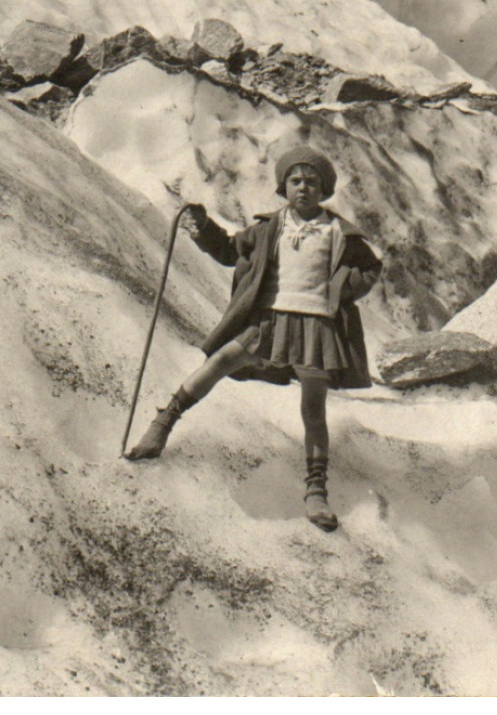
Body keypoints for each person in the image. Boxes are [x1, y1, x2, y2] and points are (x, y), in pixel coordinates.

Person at [125, 144, 382, 532]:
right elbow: (230, 250)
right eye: (295, 181)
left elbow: (370, 268)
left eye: (312, 182)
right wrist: (203, 227)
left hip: (317, 328)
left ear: (325, 189)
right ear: (283, 186)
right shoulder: (269, 228)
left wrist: (344, 289)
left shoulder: (338, 231)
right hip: (270, 323)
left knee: (313, 409)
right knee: (220, 362)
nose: (303, 188)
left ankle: (316, 491)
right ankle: (162, 424)